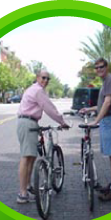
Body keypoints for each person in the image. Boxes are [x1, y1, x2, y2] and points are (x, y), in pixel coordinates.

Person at [16, 70, 69, 203]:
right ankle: (22, 194)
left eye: (48, 79)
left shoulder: (33, 89)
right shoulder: (38, 90)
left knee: (31, 157)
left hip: (29, 122)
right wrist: (62, 122)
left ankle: (27, 187)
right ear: (37, 77)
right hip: (27, 123)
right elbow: (49, 108)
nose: (45, 80)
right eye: (43, 78)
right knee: (26, 157)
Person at [79, 58, 111, 201]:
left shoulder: (110, 80)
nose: (99, 69)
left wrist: (95, 121)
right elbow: (102, 105)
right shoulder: (105, 83)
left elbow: (108, 103)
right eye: (96, 67)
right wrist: (89, 109)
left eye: (101, 66)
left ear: (107, 67)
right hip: (107, 120)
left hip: (109, 121)